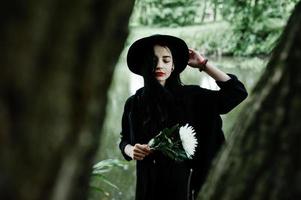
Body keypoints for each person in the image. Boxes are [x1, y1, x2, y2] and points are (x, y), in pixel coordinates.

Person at [119, 34, 248, 200]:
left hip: (184, 187)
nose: (159, 65)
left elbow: (236, 93)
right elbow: (124, 141)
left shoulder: (192, 97)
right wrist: (131, 150)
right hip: (147, 187)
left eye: (166, 60)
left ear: (173, 66)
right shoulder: (134, 103)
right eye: (153, 60)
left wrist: (203, 65)